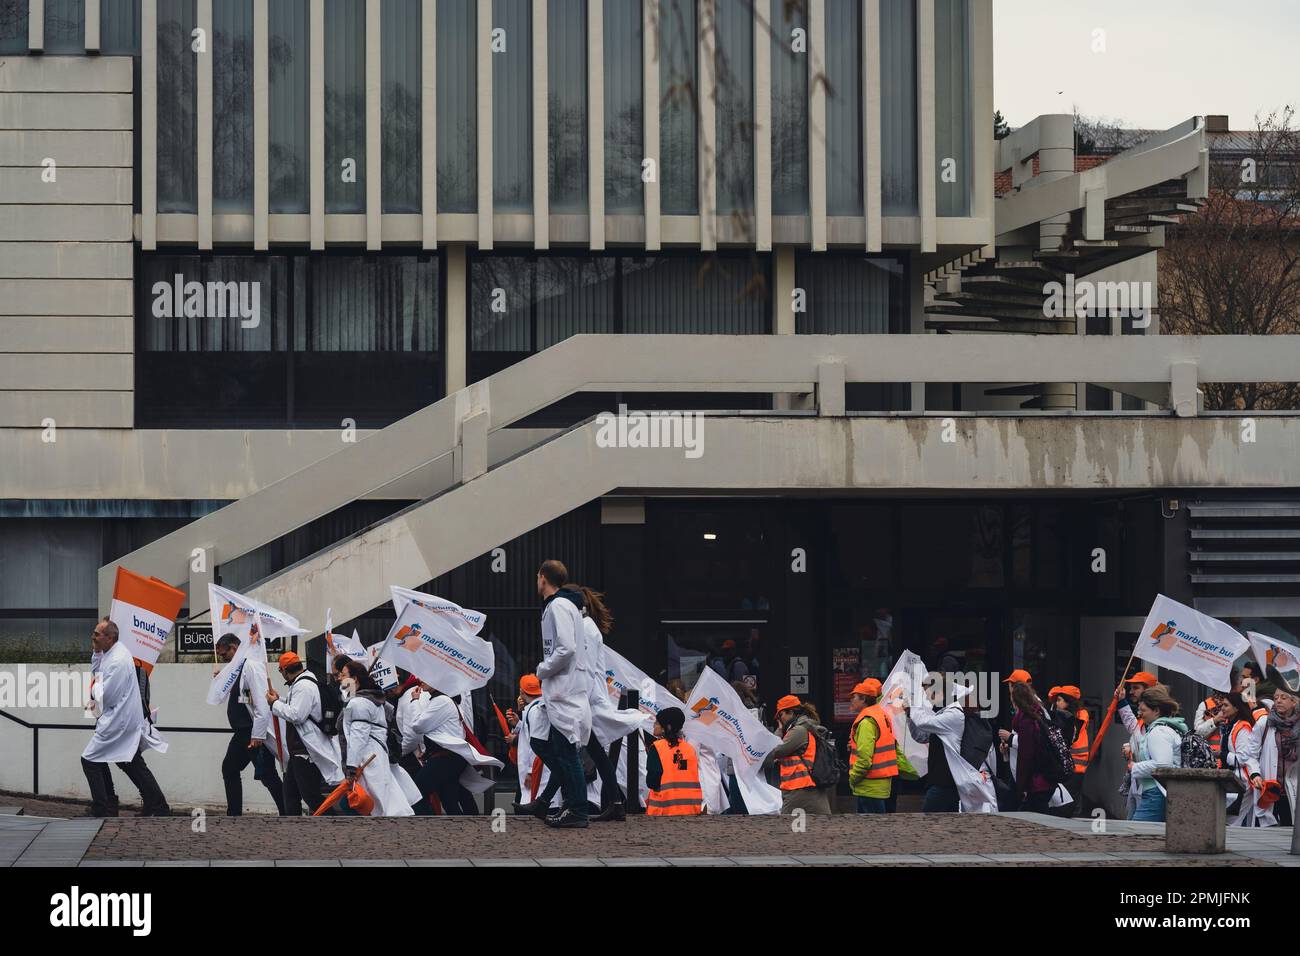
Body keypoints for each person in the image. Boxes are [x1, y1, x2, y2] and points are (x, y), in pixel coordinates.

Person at [81, 618, 172, 817]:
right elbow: (97, 672)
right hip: (122, 719)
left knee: (90, 759)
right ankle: (156, 805)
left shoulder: (118, 661)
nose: (93, 637)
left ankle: (103, 807)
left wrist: (95, 687)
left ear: (110, 638)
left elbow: (107, 696)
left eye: (97, 634)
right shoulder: (110, 654)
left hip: (118, 721)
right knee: (129, 762)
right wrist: (96, 653)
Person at [535, 559, 593, 828]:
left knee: (567, 753)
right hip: (566, 690)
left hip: (563, 691)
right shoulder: (564, 606)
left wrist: (543, 670)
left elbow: (566, 648)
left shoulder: (558, 606)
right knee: (556, 748)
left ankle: (578, 809)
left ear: (543, 578)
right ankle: (571, 805)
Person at [401, 681, 502, 814]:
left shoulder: (442, 701)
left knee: (418, 793)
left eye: (426, 677)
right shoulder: (442, 700)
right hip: (449, 757)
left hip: (446, 758)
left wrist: (414, 702)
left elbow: (419, 726)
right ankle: (460, 828)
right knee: (449, 799)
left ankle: (427, 827)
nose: (421, 680)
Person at [214, 633, 284, 816]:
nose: (222, 658)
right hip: (242, 733)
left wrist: (258, 735)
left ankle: (289, 810)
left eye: (224, 654)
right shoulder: (236, 668)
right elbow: (241, 695)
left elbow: (261, 701)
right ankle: (234, 812)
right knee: (230, 768)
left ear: (234, 649)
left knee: (267, 775)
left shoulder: (250, 666)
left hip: (251, 732)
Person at [267, 651, 343, 815]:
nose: (282, 675)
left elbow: (297, 715)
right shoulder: (302, 683)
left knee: (310, 795)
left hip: (305, 750)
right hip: (299, 749)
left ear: (285, 670)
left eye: (281, 672)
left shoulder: (303, 686)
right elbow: (296, 707)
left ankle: (334, 820)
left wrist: (274, 705)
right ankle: (293, 827)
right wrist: (278, 700)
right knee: (290, 793)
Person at [337, 659, 416, 816]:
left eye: (343, 674)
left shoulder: (359, 703)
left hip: (365, 759)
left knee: (363, 804)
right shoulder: (366, 701)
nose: (339, 677)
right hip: (373, 757)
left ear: (355, 679)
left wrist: (351, 767)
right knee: (379, 803)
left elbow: (358, 736)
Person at [906, 682, 997, 814]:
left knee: (927, 820)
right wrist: (910, 715)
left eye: (930, 694)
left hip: (945, 780)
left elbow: (923, 722)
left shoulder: (954, 715)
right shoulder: (944, 714)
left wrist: (914, 704)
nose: (928, 699)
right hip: (943, 779)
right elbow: (921, 736)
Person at [1234, 673, 1299, 827]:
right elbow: (1251, 754)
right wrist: (1255, 773)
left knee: (1292, 831)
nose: (1278, 700)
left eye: (1283, 697)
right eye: (1276, 697)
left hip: (1294, 787)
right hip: (1269, 787)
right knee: (1270, 830)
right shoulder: (1265, 722)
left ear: (1294, 702)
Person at [1119, 684, 1185, 822]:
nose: (1140, 713)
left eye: (1143, 710)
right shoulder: (1162, 728)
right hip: (1156, 791)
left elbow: (1162, 764)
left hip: (1156, 792)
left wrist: (1134, 767)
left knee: (1135, 836)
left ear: (1156, 711)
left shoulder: (1158, 731)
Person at [762, 695, 833, 815]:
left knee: (787, 828)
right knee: (819, 827)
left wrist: (779, 731)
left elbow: (774, 751)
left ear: (790, 712)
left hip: (799, 790)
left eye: (780, 715)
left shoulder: (798, 731)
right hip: (810, 789)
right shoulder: (805, 727)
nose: (780, 720)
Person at [846, 679, 899, 814]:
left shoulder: (866, 721)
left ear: (863, 699)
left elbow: (864, 759)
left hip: (869, 785)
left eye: (854, 697)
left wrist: (853, 778)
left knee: (870, 831)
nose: (851, 700)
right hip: (881, 784)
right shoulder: (881, 715)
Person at [643, 706, 703, 816]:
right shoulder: (689, 748)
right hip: (691, 810)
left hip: (664, 810)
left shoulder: (657, 747)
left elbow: (652, 781)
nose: (653, 725)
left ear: (667, 727)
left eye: (657, 723)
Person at [1009, 681, 1057, 813]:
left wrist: (1021, 786)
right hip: (1046, 778)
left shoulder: (1026, 721)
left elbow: (1026, 756)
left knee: (1033, 814)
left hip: (1037, 782)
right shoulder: (1038, 713)